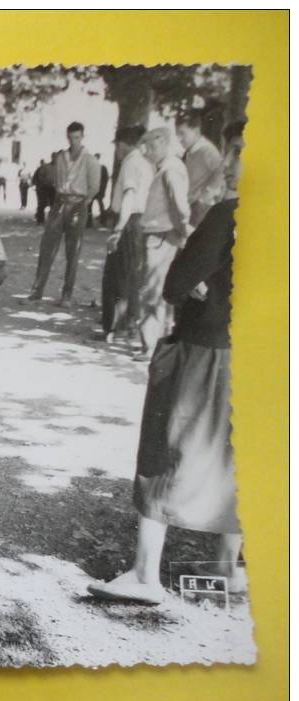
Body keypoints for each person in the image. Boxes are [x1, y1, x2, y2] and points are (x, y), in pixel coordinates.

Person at [87, 122, 246, 605]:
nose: (230, 159)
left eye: (237, 151)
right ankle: (224, 570)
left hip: (203, 350)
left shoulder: (229, 215)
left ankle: (145, 575)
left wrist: (202, 287)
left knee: (165, 447)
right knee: (235, 456)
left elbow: (177, 282)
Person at [135, 127, 194, 360]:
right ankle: (156, 342)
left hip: (162, 236)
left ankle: (150, 346)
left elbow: (180, 207)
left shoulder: (170, 170)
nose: (147, 151)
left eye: (151, 146)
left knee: (153, 291)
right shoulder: (167, 168)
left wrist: (181, 231)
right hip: (160, 233)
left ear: (163, 145)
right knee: (157, 291)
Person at [28, 122, 101, 307]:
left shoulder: (90, 160)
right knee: (47, 248)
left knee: (73, 251)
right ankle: (36, 292)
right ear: (67, 137)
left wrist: (83, 203)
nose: (73, 141)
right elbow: (53, 180)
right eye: (70, 137)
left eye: (77, 137)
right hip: (59, 203)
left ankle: (66, 295)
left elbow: (94, 187)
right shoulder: (60, 157)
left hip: (78, 204)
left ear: (82, 137)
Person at [99, 124, 153, 343]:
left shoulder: (130, 163)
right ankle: (127, 326)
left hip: (129, 221)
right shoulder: (145, 163)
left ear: (122, 144)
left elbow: (129, 195)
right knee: (132, 276)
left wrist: (119, 229)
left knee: (118, 277)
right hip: (139, 222)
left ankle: (116, 329)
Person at [176, 110, 225, 226]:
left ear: (196, 131)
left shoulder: (207, 151)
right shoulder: (190, 151)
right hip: (189, 207)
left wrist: (204, 196)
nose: (179, 138)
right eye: (177, 134)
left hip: (200, 210)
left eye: (182, 133)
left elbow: (222, 172)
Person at [86, 154, 110, 228]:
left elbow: (105, 180)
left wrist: (103, 190)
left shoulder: (102, 168)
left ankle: (102, 220)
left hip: (98, 190)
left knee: (99, 205)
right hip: (94, 190)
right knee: (90, 206)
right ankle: (89, 222)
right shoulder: (94, 168)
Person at [32, 157, 55, 224]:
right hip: (42, 189)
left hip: (50, 188)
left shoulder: (54, 167)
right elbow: (35, 179)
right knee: (42, 204)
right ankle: (40, 219)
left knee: (49, 204)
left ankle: (43, 218)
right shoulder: (43, 168)